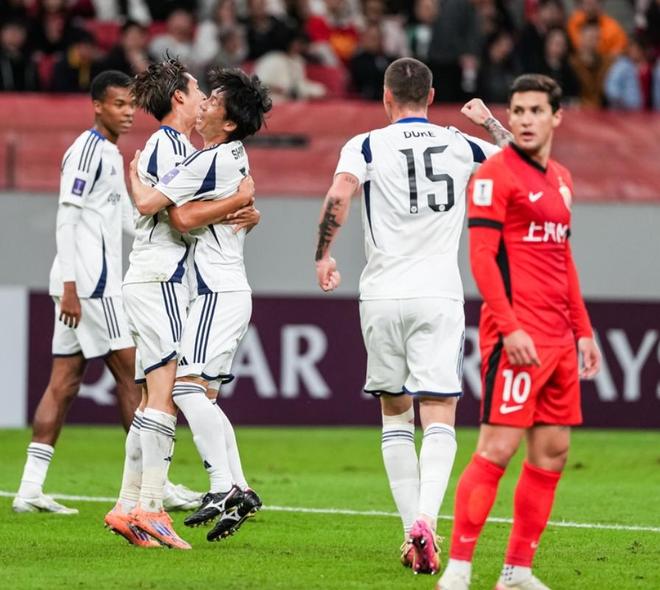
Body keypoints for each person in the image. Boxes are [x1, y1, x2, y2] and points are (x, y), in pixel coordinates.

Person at [314, 57, 510, 575]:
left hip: (381, 294)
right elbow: (525, 166)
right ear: (432, 96)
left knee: (395, 413)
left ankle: (410, 532)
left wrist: (323, 254)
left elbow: (339, 194)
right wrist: (490, 123)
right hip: (438, 294)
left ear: (386, 96)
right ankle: (427, 520)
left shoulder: (365, 145)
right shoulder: (459, 143)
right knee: (439, 410)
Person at [436, 74, 602, 590]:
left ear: (556, 116)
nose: (526, 119)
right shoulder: (494, 175)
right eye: (518, 111)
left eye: (536, 111)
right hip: (517, 336)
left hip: (558, 338)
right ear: (509, 116)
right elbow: (482, 258)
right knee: (497, 449)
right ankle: (458, 570)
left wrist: (583, 330)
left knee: (552, 453)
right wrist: (509, 328)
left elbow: (563, 259)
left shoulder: (562, 179)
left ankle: (516, 572)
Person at [104, 58, 262, 550]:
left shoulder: (182, 149)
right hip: (164, 277)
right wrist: (238, 200)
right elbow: (168, 213)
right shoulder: (173, 145)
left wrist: (244, 207)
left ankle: (128, 505)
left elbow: (175, 205)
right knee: (171, 394)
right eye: (199, 92)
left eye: (211, 98)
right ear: (179, 98)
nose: (203, 100)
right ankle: (154, 506)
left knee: (158, 396)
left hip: (157, 277)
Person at [13, 71, 141, 514]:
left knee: (63, 383)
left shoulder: (111, 153)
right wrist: (70, 285)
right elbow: (65, 218)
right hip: (90, 285)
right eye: (119, 104)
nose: (128, 112)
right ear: (98, 106)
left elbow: (126, 219)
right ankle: (151, 485)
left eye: (132, 104)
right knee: (134, 378)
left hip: (85, 285)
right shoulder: (86, 152)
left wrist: (175, 232)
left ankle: (30, 489)